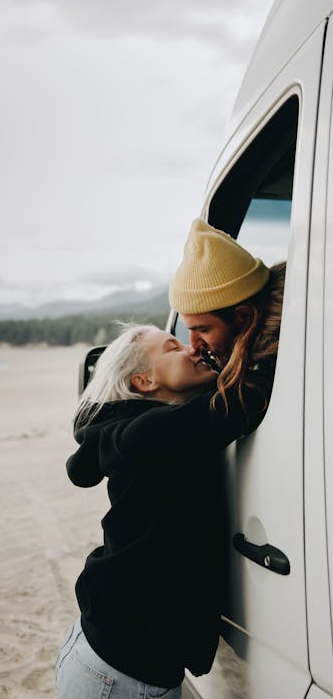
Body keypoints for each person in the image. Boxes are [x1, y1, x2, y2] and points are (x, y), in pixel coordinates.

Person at [55, 322, 268, 699]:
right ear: (144, 382)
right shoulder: (149, 434)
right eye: (173, 347)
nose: (191, 349)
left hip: (110, 659)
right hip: (118, 678)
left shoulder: (142, 432)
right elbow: (244, 399)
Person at [169, 218, 286, 414]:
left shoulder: (278, 363)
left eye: (203, 330)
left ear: (243, 316)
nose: (194, 344)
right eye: (189, 330)